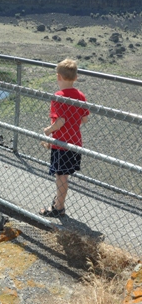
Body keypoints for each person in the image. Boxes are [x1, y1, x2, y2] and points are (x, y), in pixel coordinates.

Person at [40, 58, 89, 217]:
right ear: (75, 78)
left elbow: (60, 121)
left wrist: (48, 131)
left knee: (60, 176)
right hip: (75, 142)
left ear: (58, 77)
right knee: (64, 175)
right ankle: (58, 203)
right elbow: (84, 119)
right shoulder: (80, 95)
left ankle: (58, 208)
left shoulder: (58, 96)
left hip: (61, 143)